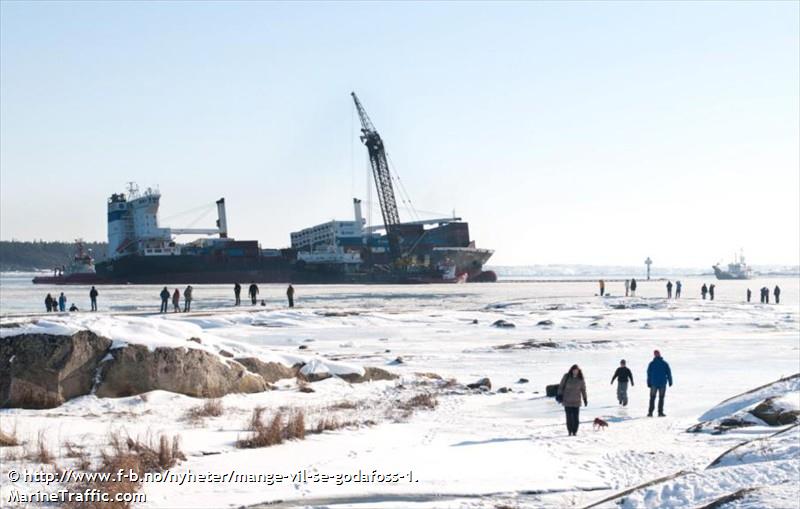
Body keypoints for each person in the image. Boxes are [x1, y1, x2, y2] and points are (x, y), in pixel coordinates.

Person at [557, 364, 588, 436]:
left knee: (576, 418)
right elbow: (561, 386)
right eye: (574, 370)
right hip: (567, 401)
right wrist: (559, 395)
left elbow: (583, 390)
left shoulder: (581, 379)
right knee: (569, 417)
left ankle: (575, 431)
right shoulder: (566, 376)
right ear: (571, 370)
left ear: (578, 371)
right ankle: (569, 431)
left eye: (576, 370)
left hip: (576, 401)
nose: (575, 372)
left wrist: (585, 399)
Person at [647, 350, 672, 417]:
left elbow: (668, 372)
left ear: (659, 354)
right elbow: (649, 374)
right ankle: (650, 412)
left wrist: (670, 380)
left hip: (662, 383)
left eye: (657, 353)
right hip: (654, 383)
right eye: (655, 354)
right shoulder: (651, 364)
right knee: (652, 398)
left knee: (661, 398)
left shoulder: (664, 363)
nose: (656, 354)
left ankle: (660, 412)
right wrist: (648, 382)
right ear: (654, 355)